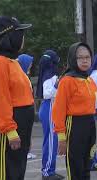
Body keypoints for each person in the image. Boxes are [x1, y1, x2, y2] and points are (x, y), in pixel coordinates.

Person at [0, 16, 34, 180]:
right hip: (8, 129)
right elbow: (0, 99)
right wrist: (10, 131)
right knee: (6, 173)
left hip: (21, 126)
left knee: (17, 172)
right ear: (10, 36)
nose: (23, 38)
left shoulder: (12, 61)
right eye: (20, 33)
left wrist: (25, 132)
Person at [52, 42, 97, 180]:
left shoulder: (89, 79)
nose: (84, 60)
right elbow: (58, 110)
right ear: (73, 59)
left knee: (87, 165)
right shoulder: (67, 81)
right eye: (80, 57)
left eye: (87, 57)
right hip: (74, 126)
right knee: (76, 168)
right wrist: (61, 137)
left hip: (89, 124)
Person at [35, 50, 64, 180]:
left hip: (48, 108)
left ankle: (50, 169)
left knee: (51, 141)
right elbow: (47, 94)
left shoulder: (47, 73)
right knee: (51, 141)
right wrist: (57, 85)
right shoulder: (49, 74)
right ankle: (47, 172)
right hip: (50, 107)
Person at [17, 53, 38, 160]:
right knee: (23, 133)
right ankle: (24, 151)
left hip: (28, 109)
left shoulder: (25, 76)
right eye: (29, 64)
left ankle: (27, 150)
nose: (31, 66)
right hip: (22, 111)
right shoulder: (20, 77)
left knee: (28, 133)